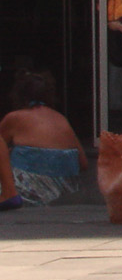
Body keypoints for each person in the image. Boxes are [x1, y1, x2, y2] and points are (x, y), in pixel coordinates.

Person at [2, 71, 89, 209]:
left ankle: (8, 194)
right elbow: (83, 163)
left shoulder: (15, 118)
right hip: (67, 191)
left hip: (28, 189)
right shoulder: (61, 118)